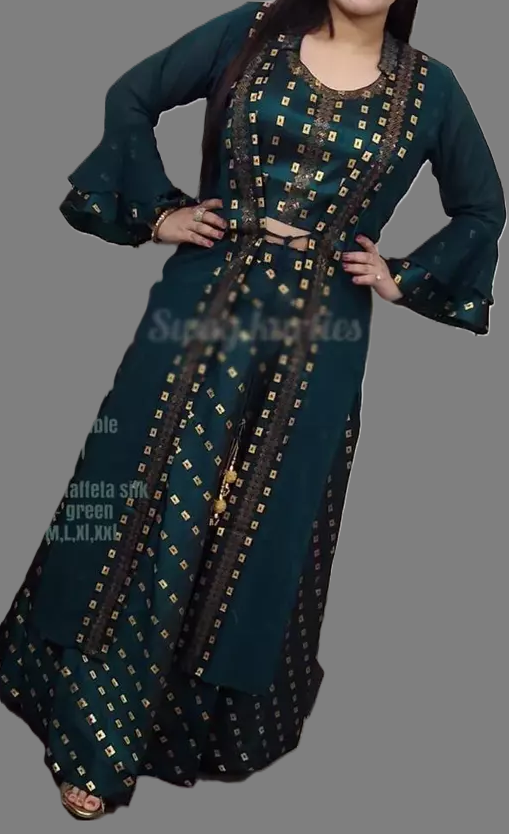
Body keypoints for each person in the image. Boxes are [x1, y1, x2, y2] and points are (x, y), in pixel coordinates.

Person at [0, 0, 505, 820]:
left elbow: (481, 205)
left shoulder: (430, 91)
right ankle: (95, 736)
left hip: (319, 339)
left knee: (257, 525)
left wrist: (403, 276)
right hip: (202, 305)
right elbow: (133, 95)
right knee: (139, 502)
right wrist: (158, 213)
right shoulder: (255, 28)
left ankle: (190, 728)